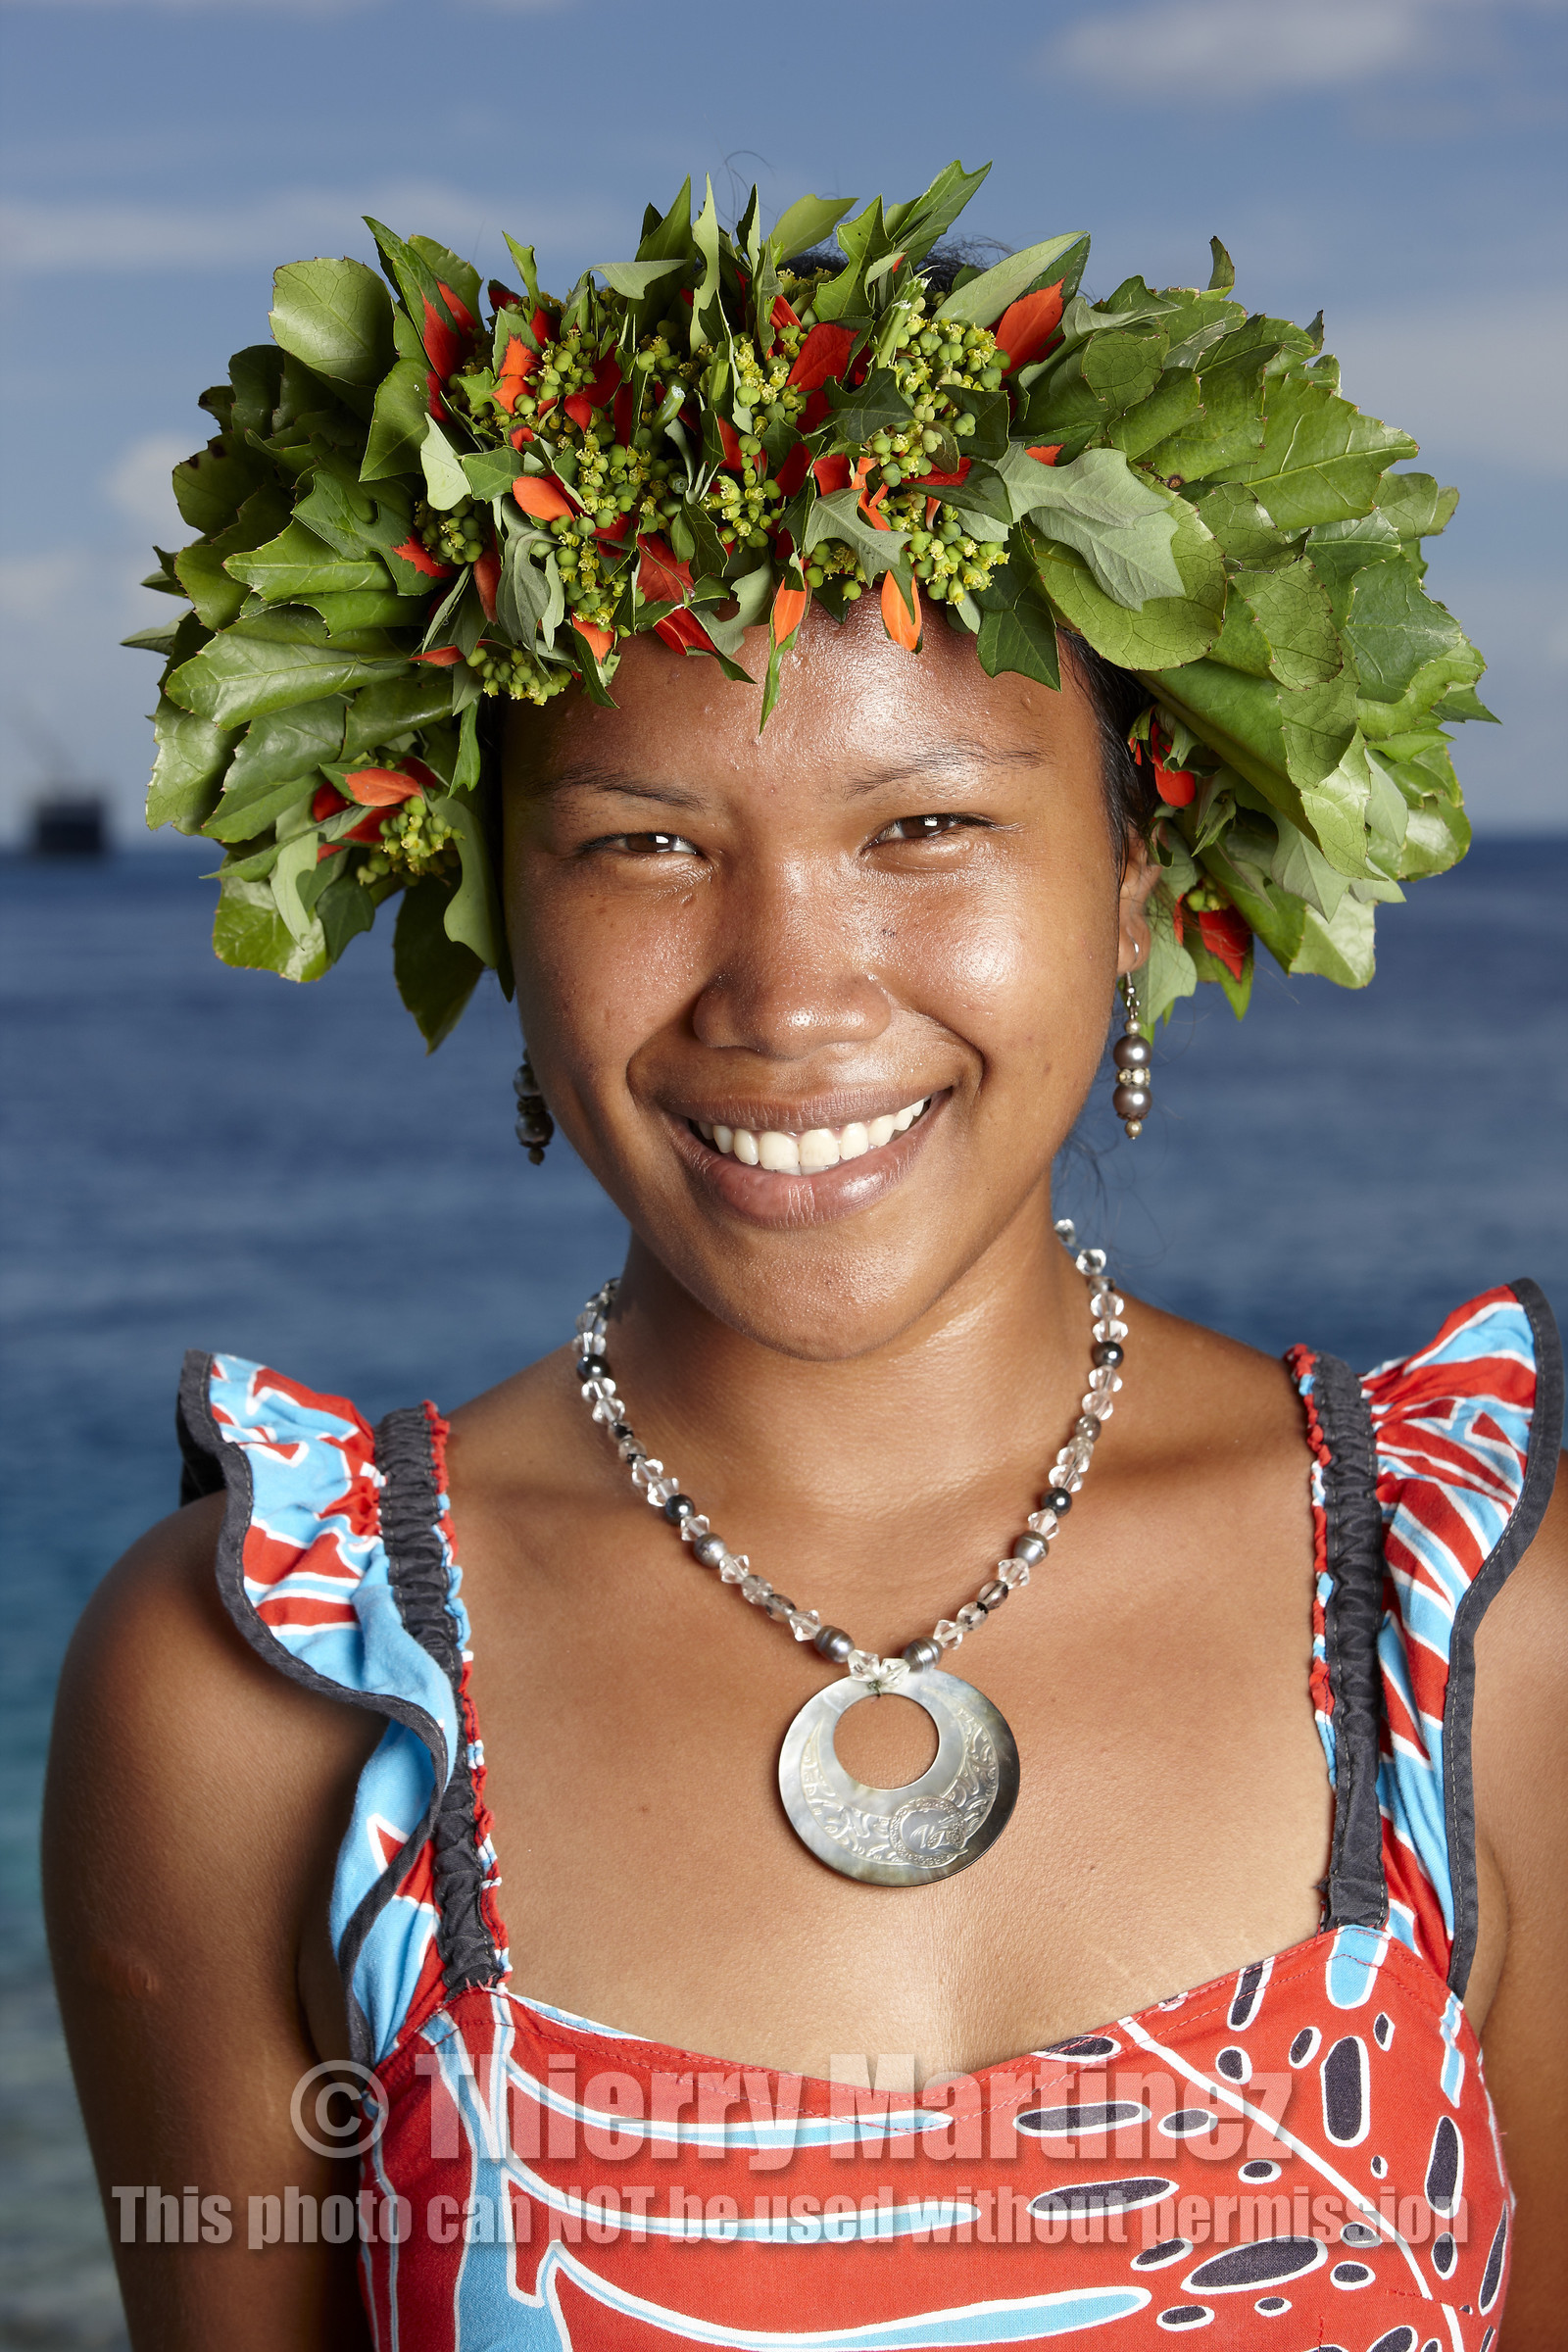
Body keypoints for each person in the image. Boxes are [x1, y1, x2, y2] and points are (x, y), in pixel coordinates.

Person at [44, 167, 1565, 2350]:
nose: (785, 993)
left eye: (925, 826)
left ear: (1141, 880)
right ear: (491, 909)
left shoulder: (1478, 1629)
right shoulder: (263, 1692)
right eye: (641, 844)